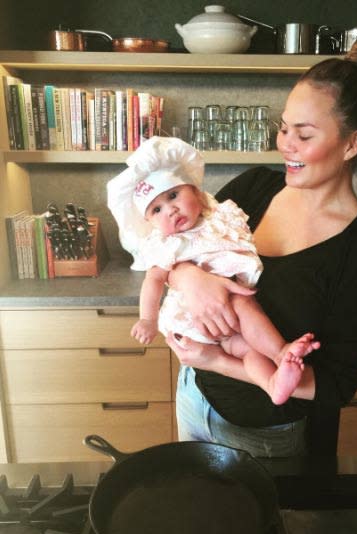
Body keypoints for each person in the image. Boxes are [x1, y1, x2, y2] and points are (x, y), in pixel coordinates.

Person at [163, 24, 357, 458]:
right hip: (194, 396)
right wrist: (185, 275)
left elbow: (337, 384)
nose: (285, 144)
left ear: (352, 144)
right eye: (284, 128)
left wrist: (219, 362)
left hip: (265, 436)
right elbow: (177, 241)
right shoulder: (253, 189)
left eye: (304, 135)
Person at [107, 136, 319, 406]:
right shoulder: (166, 242)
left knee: (250, 352)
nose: (171, 210)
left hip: (228, 331)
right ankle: (280, 351)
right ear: (150, 222)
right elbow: (154, 279)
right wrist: (147, 319)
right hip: (194, 321)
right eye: (157, 209)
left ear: (195, 192)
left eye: (174, 195)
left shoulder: (217, 218)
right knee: (243, 301)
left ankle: (273, 382)